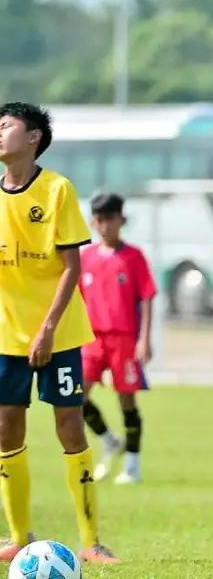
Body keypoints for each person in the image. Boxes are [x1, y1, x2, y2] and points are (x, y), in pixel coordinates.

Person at [0, 102, 118, 563]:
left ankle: (91, 542)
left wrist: (47, 329)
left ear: (33, 137)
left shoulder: (56, 189)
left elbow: (72, 266)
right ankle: (18, 536)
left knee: (70, 426)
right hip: (7, 335)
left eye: (6, 125)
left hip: (59, 333)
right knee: (6, 429)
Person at [79, 192, 158, 485]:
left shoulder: (133, 257)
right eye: (99, 219)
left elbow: (147, 297)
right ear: (92, 222)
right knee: (75, 396)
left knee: (127, 399)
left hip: (124, 338)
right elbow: (76, 299)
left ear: (121, 220)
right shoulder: (86, 257)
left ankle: (132, 465)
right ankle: (108, 439)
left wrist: (144, 339)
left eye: (110, 218)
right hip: (91, 338)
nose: (104, 225)